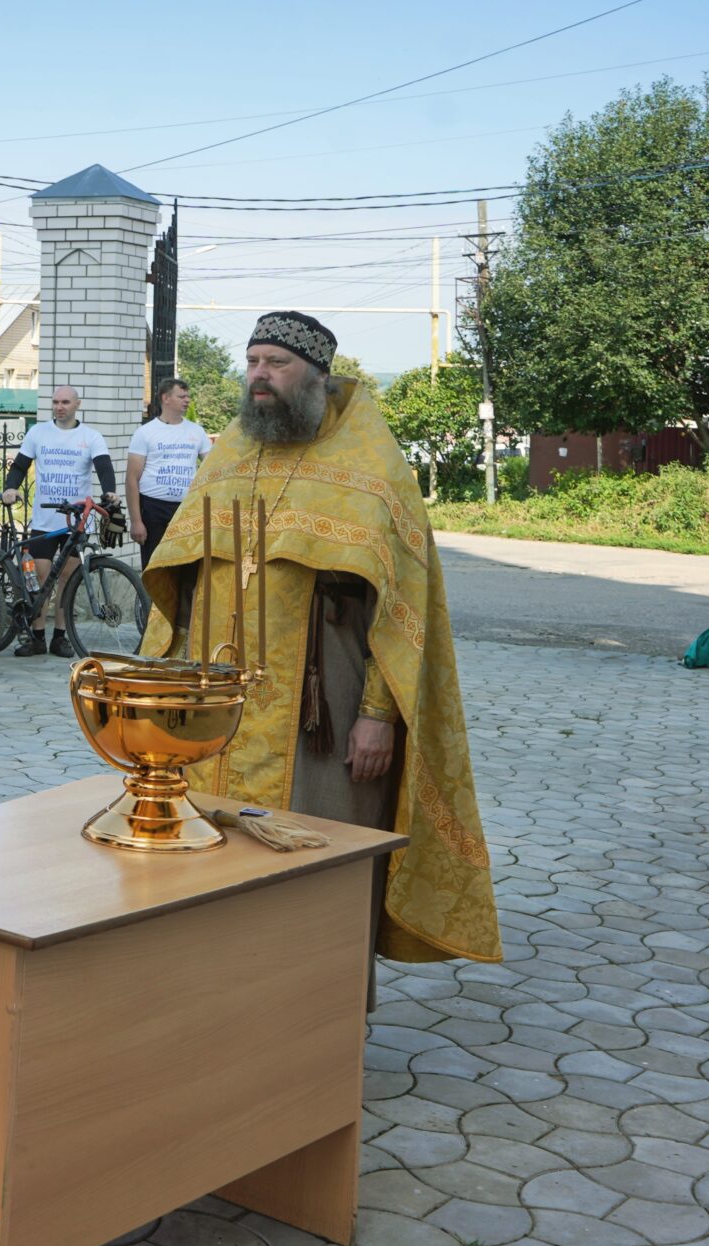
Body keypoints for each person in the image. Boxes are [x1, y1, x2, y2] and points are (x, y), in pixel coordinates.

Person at [140, 311, 500, 1009]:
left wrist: (378, 716)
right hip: (219, 701)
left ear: (316, 373)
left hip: (324, 707)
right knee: (211, 851)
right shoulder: (231, 451)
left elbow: (403, 611)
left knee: (316, 860)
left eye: (274, 362)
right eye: (252, 362)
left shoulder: (371, 459)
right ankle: (217, 1008)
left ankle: (322, 1028)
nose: (258, 376)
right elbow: (177, 575)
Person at [0, 384, 113, 657]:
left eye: (65, 402)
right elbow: (19, 466)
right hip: (45, 517)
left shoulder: (91, 436)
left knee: (68, 579)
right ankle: (37, 637)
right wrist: (11, 487)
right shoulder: (38, 432)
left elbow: (104, 467)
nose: (59, 406)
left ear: (77, 404)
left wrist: (110, 491)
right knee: (40, 578)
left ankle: (60, 637)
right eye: (55, 402)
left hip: (75, 520)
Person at [127, 377, 211, 566]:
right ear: (166, 398)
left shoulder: (197, 431)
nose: (187, 400)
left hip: (185, 509)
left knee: (187, 567)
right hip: (153, 508)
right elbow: (132, 479)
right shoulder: (145, 432)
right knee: (155, 567)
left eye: (188, 396)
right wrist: (135, 521)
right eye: (181, 396)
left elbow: (213, 464)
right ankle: (149, 597)